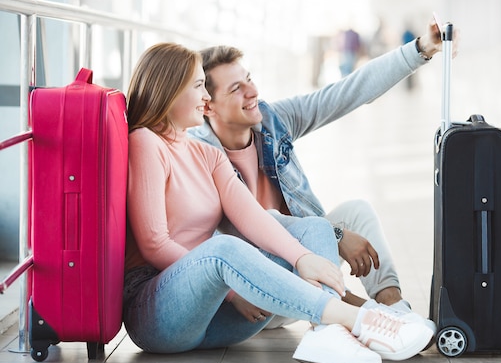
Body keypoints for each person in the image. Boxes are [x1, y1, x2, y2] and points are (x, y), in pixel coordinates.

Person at [122, 42, 434, 363]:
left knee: (315, 227)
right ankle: (357, 319)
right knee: (223, 248)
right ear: (169, 90)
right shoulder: (146, 141)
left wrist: (303, 257)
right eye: (198, 87)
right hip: (159, 312)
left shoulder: (207, 155)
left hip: (221, 317)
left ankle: (329, 334)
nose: (205, 98)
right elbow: (154, 244)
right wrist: (231, 293)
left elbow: (254, 216)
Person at [187, 17, 459, 329]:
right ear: (207, 106)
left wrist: (421, 49)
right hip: (261, 290)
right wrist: (335, 235)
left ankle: (394, 306)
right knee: (289, 223)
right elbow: (232, 232)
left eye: (249, 78)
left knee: (357, 211)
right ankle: (376, 319)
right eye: (237, 88)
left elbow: (346, 93)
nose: (253, 92)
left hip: (305, 263)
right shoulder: (200, 153)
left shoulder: (272, 120)